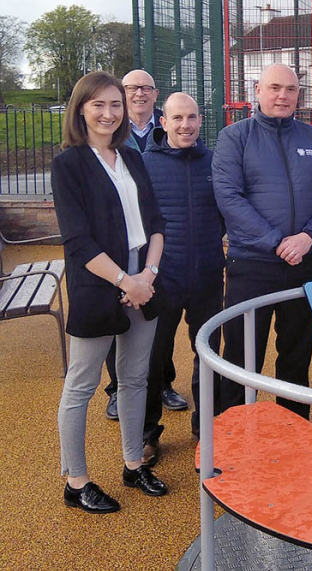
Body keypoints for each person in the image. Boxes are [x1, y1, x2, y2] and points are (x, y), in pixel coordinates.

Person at [52, 71, 168, 514]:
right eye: (98, 104)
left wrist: (148, 276)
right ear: (81, 108)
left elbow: (156, 223)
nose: (108, 113)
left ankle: (133, 463)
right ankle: (76, 481)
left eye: (115, 104)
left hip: (144, 278)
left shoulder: (132, 158)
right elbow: (78, 241)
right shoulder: (69, 164)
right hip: (100, 283)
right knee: (81, 385)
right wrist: (126, 281)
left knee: (136, 378)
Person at [212, 63, 312, 418]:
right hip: (251, 266)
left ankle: (296, 432)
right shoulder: (234, 137)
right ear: (257, 90)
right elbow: (229, 197)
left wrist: (308, 238)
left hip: (302, 265)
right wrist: (275, 241)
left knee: (297, 360)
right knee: (241, 358)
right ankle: (230, 439)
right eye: (274, 88)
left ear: (298, 94)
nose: (282, 95)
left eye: (290, 89)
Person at [139, 92, 225, 462]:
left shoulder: (215, 161)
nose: (185, 125)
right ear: (163, 122)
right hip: (164, 276)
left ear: (200, 121)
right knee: (152, 358)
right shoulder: (144, 163)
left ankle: (205, 430)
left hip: (207, 273)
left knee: (207, 355)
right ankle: (147, 434)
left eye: (191, 117)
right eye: (177, 119)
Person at [104, 70, 187, 420]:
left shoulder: (166, 130)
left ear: (156, 96)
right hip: (118, 240)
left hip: (155, 238)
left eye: (146, 89)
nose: (139, 94)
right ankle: (115, 389)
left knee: (157, 314)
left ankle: (163, 382)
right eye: (131, 88)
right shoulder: (109, 134)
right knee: (115, 313)